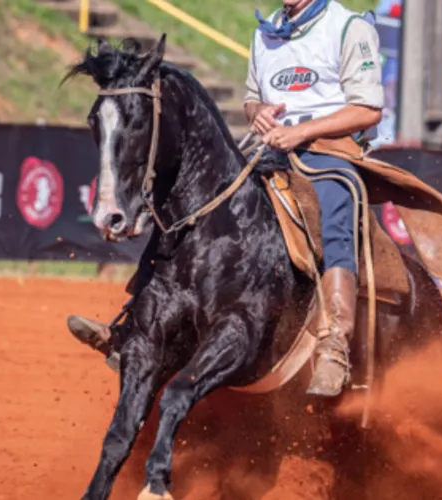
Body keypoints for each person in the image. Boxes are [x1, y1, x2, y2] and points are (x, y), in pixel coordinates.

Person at [66, 0, 385, 399]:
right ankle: (130, 325)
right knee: (194, 210)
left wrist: (302, 132)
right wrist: (259, 113)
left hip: (331, 155)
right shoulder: (266, 31)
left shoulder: (348, 28)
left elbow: (368, 109)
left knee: (335, 217)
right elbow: (252, 98)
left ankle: (334, 343)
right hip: (270, 150)